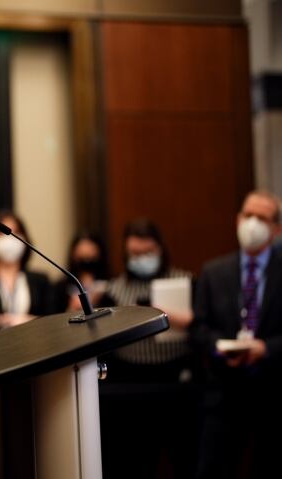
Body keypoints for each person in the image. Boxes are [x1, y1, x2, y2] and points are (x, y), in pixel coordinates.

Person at [191, 190, 282, 478]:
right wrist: (220, 348)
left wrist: (266, 349)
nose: (252, 223)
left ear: (276, 229)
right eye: (248, 215)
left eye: (262, 218)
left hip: (274, 391)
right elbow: (199, 328)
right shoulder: (213, 272)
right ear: (237, 220)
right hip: (224, 394)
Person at [100, 218, 198, 479]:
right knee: (135, 462)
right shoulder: (114, 289)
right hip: (131, 383)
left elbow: (203, 325)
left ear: (160, 249)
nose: (141, 258)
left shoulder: (185, 280)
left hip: (176, 380)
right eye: (135, 253)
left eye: (147, 253)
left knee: (186, 460)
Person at [0, 210, 52, 336]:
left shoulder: (41, 280)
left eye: (15, 232)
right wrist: (3, 325)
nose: (8, 239)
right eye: (1, 233)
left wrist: (26, 321)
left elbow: (53, 319)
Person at [52, 231, 109, 313]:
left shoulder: (110, 283)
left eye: (90, 253)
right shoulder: (61, 286)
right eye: (81, 255)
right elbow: (54, 318)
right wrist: (71, 308)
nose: (86, 255)